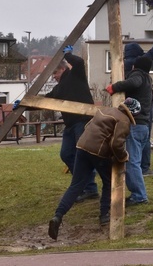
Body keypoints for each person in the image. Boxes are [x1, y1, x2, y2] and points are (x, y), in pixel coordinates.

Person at [48, 98, 139, 240]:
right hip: (98, 152)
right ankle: (104, 215)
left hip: (82, 146)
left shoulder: (104, 110)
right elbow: (116, 144)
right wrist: (123, 157)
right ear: (133, 113)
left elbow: (88, 126)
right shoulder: (124, 121)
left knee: (76, 185)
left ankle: (58, 216)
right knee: (108, 183)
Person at [46, 46, 98, 202]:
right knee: (66, 154)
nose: (54, 77)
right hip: (70, 126)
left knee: (83, 155)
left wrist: (67, 54)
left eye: (55, 73)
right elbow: (45, 101)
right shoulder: (58, 88)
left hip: (83, 121)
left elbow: (80, 61)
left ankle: (89, 188)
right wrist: (22, 104)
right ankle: (86, 185)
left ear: (62, 69)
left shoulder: (76, 75)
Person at [123, 19, 153, 177]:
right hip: (144, 104)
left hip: (125, 104)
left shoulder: (121, 64)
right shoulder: (141, 61)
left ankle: (126, 162)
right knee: (144, 135)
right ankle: (144, 167)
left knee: (127, 136)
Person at [105, 55, 153, 206]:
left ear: (134, 67)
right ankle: (137, 194)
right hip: (143, 126)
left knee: (132, 162)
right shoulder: (148, 80)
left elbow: (133, 82)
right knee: (133, 161)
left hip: (135, 125)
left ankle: (139, 196)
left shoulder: (138, 75)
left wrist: (114, 87)